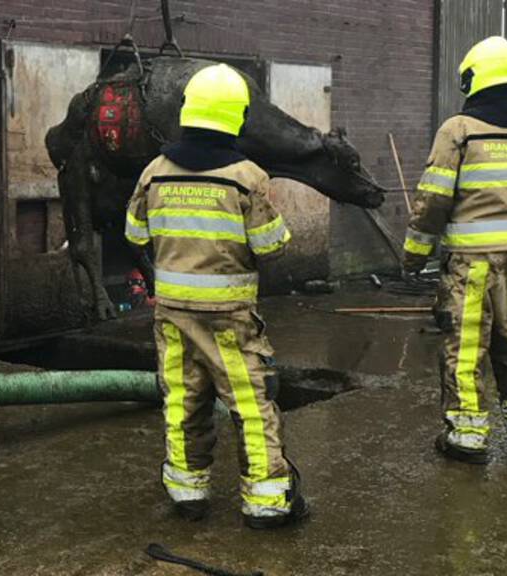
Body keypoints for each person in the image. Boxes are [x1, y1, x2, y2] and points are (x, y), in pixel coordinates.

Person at [125, 63, 308, 528]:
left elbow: (134, 232)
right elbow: (271, 247)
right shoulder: (248, 177)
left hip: (171, 315)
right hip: (229, 319)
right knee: (250, 403)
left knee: (182, 401)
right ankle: (267, 502)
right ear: (237, 117)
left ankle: (188, 493)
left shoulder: (154, 172)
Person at [402, 36, 507, 464]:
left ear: (475, 77)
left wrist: (414, 256)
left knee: (466, 345)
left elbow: (433, 200)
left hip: (472, 262)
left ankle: (466, 436)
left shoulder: (459, 131)